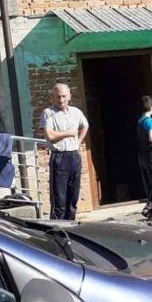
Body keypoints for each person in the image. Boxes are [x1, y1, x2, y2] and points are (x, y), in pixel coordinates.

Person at [43, 83, 89, 220]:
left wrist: (78, 141)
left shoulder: (75, 112)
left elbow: (85, 125)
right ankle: (56, 229)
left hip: (74, 156)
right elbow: (50, 136)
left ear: (69, 96)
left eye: (64, 96)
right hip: (59, 157)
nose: (61, 100)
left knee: (73, 198)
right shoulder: (48, 113)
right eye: (58, 97)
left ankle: (70, 227)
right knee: (59, 201)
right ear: (53, 97)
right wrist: (68, 133)